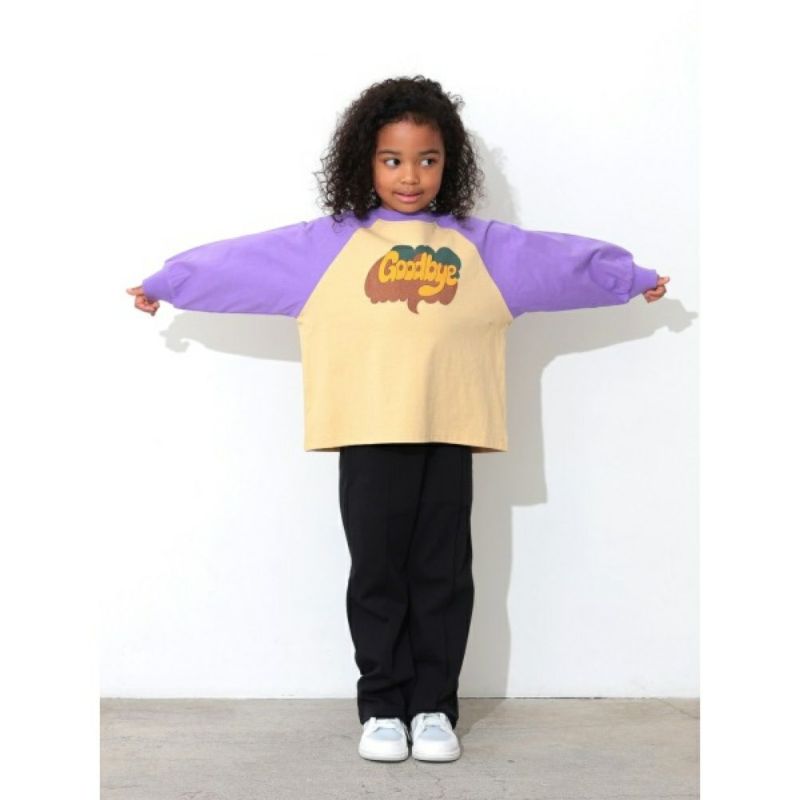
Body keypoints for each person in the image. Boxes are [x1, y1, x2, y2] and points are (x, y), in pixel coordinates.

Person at [126, 75, 669, 764]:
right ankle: (383, 706)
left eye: (427, 159)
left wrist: (629, 277)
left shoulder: (482, 249)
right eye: (392, 159)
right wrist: (170, 283)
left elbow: (560, 262)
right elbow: (241, 264)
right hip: (368, 431)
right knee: (378, 572)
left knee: (443, 574)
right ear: (366, 162)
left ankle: (435, 707)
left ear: (449, 164)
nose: (410, 176)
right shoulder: (326, 248)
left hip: (450, 430)